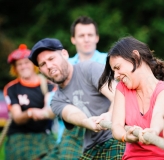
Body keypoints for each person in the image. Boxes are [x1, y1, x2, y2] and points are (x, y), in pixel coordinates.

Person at [28, 38, 125, 160]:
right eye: (42, 64)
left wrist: (110, 115)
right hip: (91, 148)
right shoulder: (56, 100)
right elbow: (72, 113)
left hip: (117, 136)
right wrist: (87, 122)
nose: (48, 66)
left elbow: (118, 95)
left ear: (64, 54)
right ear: (40, 70)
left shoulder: (89, 68)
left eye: (51, 59)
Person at [98, 36, 164, 159]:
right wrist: (125, 136)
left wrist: (153, 131)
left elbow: (159, 115)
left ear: (135, 57)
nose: (115, 75)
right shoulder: (122, 88)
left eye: (118, 67)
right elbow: (117, 126)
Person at [54, 15, 108, 144]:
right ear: (73, 39)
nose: (86, 39)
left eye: (90, 35)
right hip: (71, 135)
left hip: (105, 130)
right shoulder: (63, 66)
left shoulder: (110, 62)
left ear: (97, 37)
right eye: (81, 35)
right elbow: (57, 102)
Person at [3, 44, 56, 160]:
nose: (23, 66)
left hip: (43, 134)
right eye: (19, 64)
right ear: (15, 68)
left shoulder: (48, 85)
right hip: (19, 135)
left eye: (26, 62)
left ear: (34, 65)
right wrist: (30, 113)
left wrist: (44, 112)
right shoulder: (11, 88)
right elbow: (17, 117)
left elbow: (50, 107)